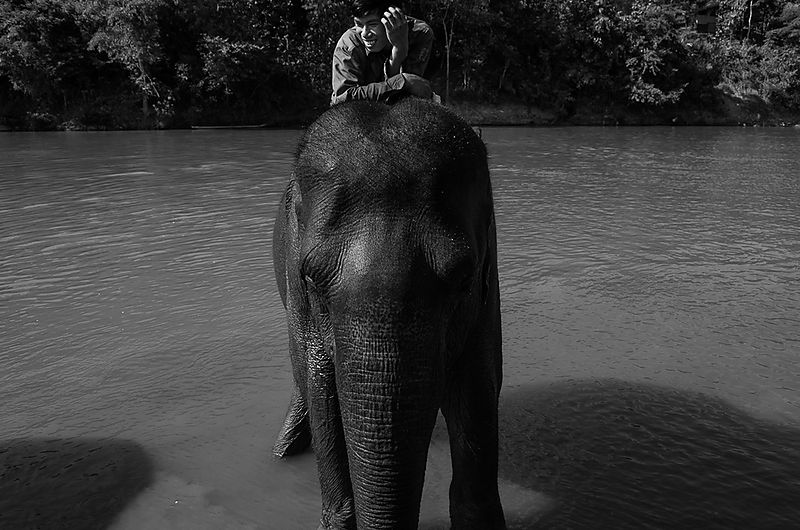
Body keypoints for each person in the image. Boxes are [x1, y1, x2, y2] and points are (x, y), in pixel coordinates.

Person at [331, 1, 435, 105]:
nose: (364, 33)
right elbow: (342, 99)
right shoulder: (349, 44)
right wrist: (401, 82)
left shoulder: (419, 34)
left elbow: (411, 91)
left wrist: (398, 51)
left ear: (392, 18)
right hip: (359, 115)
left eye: (372, 24)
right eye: (359, 24)